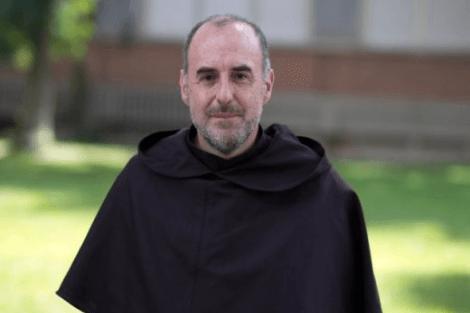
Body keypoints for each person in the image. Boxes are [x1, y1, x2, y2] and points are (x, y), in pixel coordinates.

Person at [57, 14, 382, 313]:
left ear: (266, 85)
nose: (224, 94)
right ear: (185, 87)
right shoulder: (142, 184)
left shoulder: (321, 195)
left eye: (240, 76)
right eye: (208, 77)